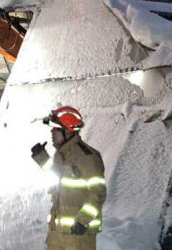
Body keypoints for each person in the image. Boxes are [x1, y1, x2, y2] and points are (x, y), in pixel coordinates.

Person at [31, 106, 106, 250]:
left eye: (56, 129)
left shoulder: (87, 157)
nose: (52, 132)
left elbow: (98, 193)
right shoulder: (60, 155)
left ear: (68, 130)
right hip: (57, 233)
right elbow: (56, 178)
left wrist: (82, 221)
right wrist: (42, 158)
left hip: (78, 236)